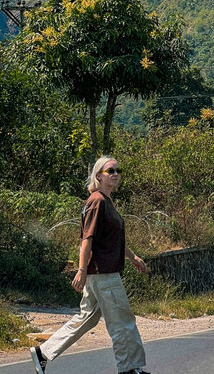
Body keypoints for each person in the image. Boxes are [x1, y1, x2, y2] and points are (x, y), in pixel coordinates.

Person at [30, 156, 152, 374]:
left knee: (87, 318)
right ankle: (130, 369)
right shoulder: (97, 202)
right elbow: (87, 239)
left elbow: (113, 240)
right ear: (99, 176)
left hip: (100, 273)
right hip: (104, 274)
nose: (115, 174)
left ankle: (43, 353)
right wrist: (82, 269)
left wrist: (133, 258)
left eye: (117, 170)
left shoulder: (105, 201)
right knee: (123, 322)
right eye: (110, 171)